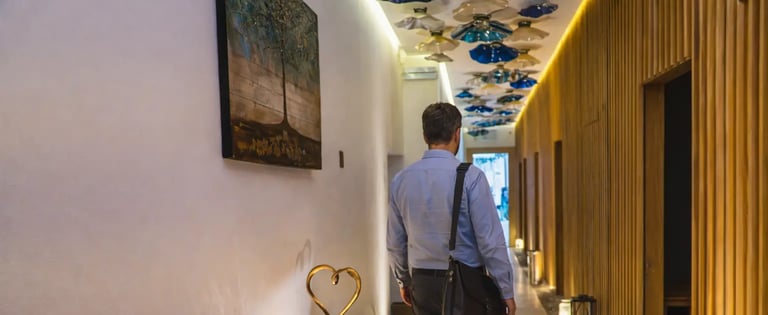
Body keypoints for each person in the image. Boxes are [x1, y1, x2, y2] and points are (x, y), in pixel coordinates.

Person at [387, 103, 516, 315]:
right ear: (457, 134)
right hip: (465, 283)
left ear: (425, 135)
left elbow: (394, 243)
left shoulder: (401, 180)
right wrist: (506, 289)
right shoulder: (471, 177)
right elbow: (490, 241)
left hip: (422, 284)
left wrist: (403, 281)